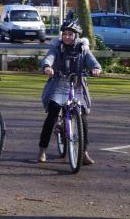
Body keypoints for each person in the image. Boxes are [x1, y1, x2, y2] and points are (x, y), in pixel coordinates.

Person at [38, 19, 101, 165]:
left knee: (82, 118)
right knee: (52, 115)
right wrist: (47, 66)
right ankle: (42, 150)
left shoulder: (83, 49)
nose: (67, 37)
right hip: (59, 84)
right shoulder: (57, 47)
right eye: (64, 34)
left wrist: (95, 69)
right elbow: (49, 58)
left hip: (77, 85)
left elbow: (92, 62)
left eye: (70, 34)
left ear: (76, 36)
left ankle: (84, 152)